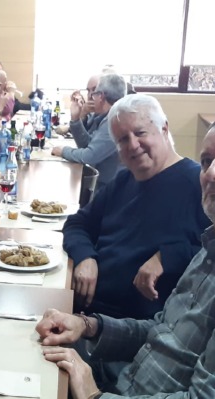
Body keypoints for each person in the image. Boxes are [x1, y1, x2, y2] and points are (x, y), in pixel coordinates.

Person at [35, 124, 215, 399]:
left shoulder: (188, 187)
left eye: (140, 132)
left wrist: (94, 395)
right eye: (207, 161)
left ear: (164, 129)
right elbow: (162, 331)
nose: (211, 173)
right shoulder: (208, 251)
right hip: (124, 375)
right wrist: (88, 326)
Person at [63, 94, 211, 320]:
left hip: (135, 325)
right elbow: (77, 223)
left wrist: (167, 257)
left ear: (164, 129)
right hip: (85, 309)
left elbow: (209, 254)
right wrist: (85, 257)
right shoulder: (124, 180)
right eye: (122, 140)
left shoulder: (200, 184)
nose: (132, 145)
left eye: (140, 133)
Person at [52, 74, 126, 191]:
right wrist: (76, 119)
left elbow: (88, 156)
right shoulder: (105, 116)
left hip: (108, 188)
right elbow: (87, 145)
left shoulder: (115, 120)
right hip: (100, 182)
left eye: (94, 93)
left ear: (101, 96)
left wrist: (63, 151)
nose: (91, 97)